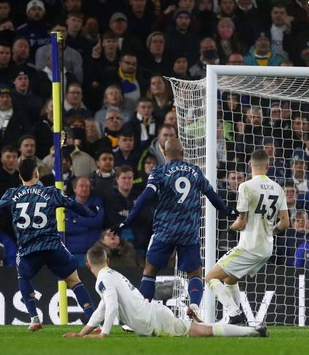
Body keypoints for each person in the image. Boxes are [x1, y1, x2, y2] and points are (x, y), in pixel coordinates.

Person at [111, 138, 234, 323]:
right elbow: (212, 195)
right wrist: (226, 211)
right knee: (194, 273)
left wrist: (127, 221)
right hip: (189, 231)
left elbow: (146, 197)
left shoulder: (160, 172)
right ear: (183, 152)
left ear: (163, 151)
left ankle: (144, 315)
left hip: (165, 230)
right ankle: (193, 306)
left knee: (150, 270)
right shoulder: (195, 171)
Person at [0, 158, 99, 331]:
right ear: (37, 174)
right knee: (73, 280)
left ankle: (34, 317)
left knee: (23, 275)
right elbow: (76, 206)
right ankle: (92, 320)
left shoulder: (11, 194)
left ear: (20, 175)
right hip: (52, 245)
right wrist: (92, 212)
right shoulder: (51, 192)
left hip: (28, 249)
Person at [62, 246, 268, 338]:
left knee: (205, 332)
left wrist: (103, 334)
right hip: (154, 316)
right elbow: (103, 307)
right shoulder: (110, 275)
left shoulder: (103, 280)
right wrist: (82, 334)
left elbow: (112, 305)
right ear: (107, 260)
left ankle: (253, 331)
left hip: (154, 320)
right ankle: (253, 331)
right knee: (202, 331)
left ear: (87, 265)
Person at [205, 149, 289, 325]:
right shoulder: (279, 188)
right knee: (230, 279)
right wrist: (270, 232)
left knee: (210, 277)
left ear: (250, 165)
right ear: (268, 166)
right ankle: (237, 321)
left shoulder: (246, 186)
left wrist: (230, 227)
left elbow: (241, 223)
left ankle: (234, 313)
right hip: (266, 248)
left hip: (249, 247)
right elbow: (285, 223)